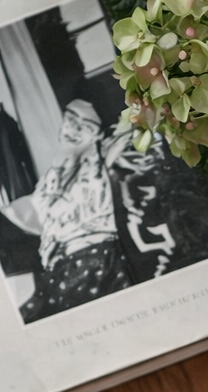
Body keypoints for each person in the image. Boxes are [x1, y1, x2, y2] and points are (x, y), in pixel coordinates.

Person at [0, 99, 137, 322]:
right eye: (70, 119)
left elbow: (130, 130)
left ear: (99, 134)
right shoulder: (55, 172)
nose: (74, 129)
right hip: (61, 267)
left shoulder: (102, 156)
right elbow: (34, 210)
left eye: (86, 126)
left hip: (94, 260)